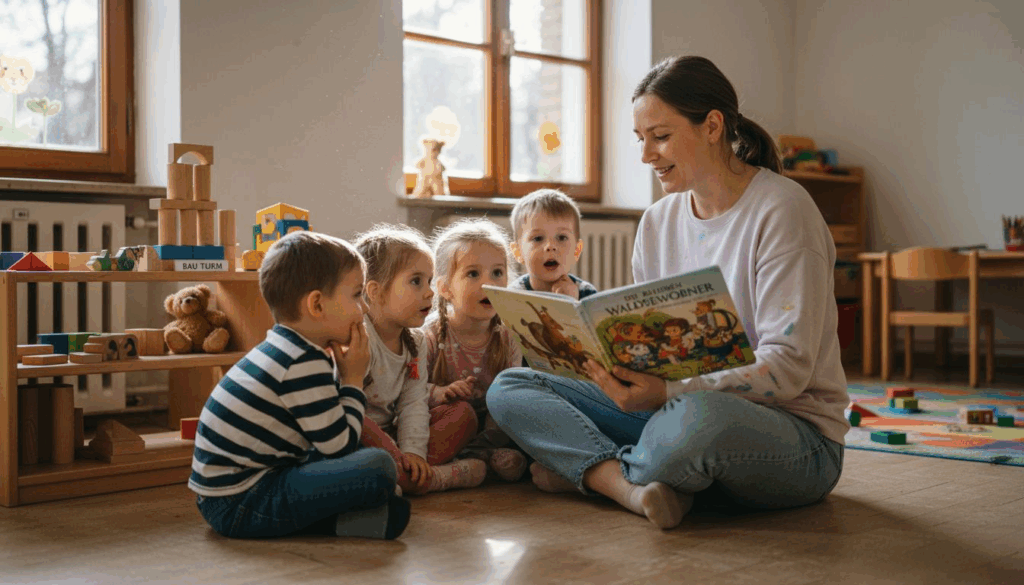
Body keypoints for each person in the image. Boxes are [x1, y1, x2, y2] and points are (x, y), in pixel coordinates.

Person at [487, 55, 849, 529]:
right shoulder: (658, 223)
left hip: (792, 435)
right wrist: (612, 369)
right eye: (641, 140)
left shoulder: (783, 210)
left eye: (660, 136)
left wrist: (669, 391)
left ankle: (593, 469)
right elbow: (653, 351)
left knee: (698, 421)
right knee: (511, 387)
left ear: (713, 126)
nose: (646, 155)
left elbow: (788, 370)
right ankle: (634, 483)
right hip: (669, 408)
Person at [190, 231, 410, 540]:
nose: (365, 308)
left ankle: (357, 521)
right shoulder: (302, 362)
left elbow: (324, 434)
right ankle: (345, 519)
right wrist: (353, 379)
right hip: (241, 502)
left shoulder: (288, 346)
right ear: (317, 304)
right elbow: (339, 446)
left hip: (227, 497)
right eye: (357, 294)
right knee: (379, 467)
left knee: (364, 463)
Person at [355, 224, 486, 495]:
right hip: (359, 434)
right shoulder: (359, 337)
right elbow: (348, 410)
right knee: (359, 431)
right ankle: (432, 478)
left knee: (462, 414)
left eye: (429, 281)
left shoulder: (415, 342)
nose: (429, 292)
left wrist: (413, 452)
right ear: (375, 291)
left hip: (394, 432)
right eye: (416, 281)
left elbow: (414, 402)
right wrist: (395, 451)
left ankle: (408, 474)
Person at [423, 218, 527, 482]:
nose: (488, 283)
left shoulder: (508, 335)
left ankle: (481, 458)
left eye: (497, 272)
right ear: (445, 288)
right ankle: (466, 466)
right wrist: (440, 392)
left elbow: (512, 394)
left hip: (493, 427)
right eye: (473, 274)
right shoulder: (432, 334)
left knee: (520, 404)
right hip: (451, 421)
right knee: (462, 414)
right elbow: (409, 390)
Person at [509, 188, 598, 300]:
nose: (550, 246)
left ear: (577, 250)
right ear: (518, 252)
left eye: (561, 237)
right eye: (538, 238)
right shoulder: (513, 296)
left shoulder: (587, 293)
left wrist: (571, 301)